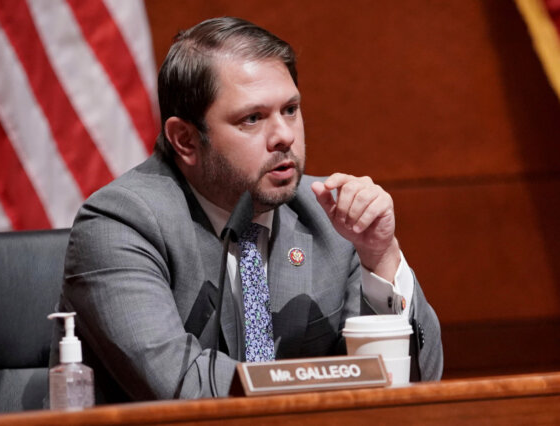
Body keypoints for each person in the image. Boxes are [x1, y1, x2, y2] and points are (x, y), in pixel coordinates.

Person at [49, 16, 443, 404]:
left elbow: (419, 381)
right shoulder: (121, 224)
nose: (285, 136)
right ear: (185, 140)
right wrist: (327, 379)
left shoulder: (328, 214)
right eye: (252, 118)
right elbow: (181, 388)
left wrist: (382, 256)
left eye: (290, 109)